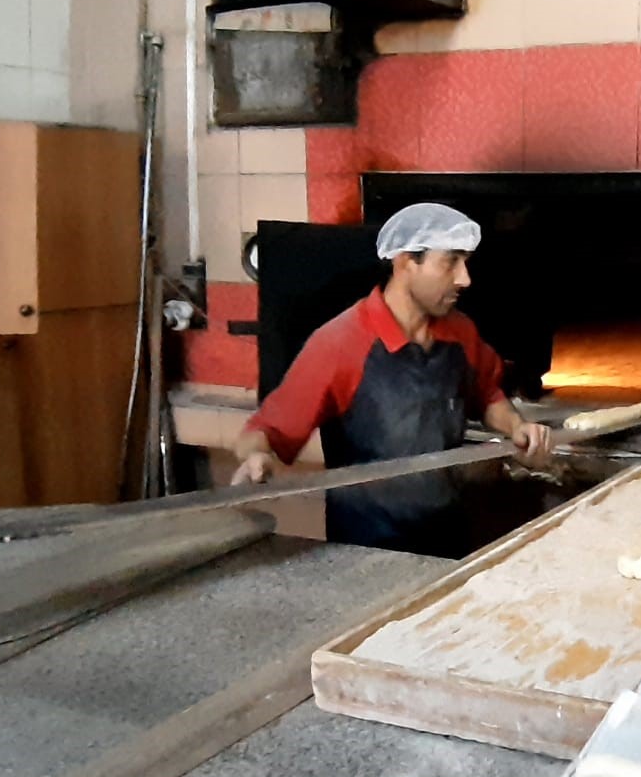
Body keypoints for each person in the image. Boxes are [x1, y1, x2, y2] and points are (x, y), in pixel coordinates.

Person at [228, 203, 551, 553]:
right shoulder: (341, 343)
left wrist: (516, 427)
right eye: (450, 262)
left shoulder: (460, 332)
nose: (464, 279)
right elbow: (267, 430)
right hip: (368, 548)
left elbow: (487, 393)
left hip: (450, 534)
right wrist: (256, 457)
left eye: (465, 262)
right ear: (404, 262)